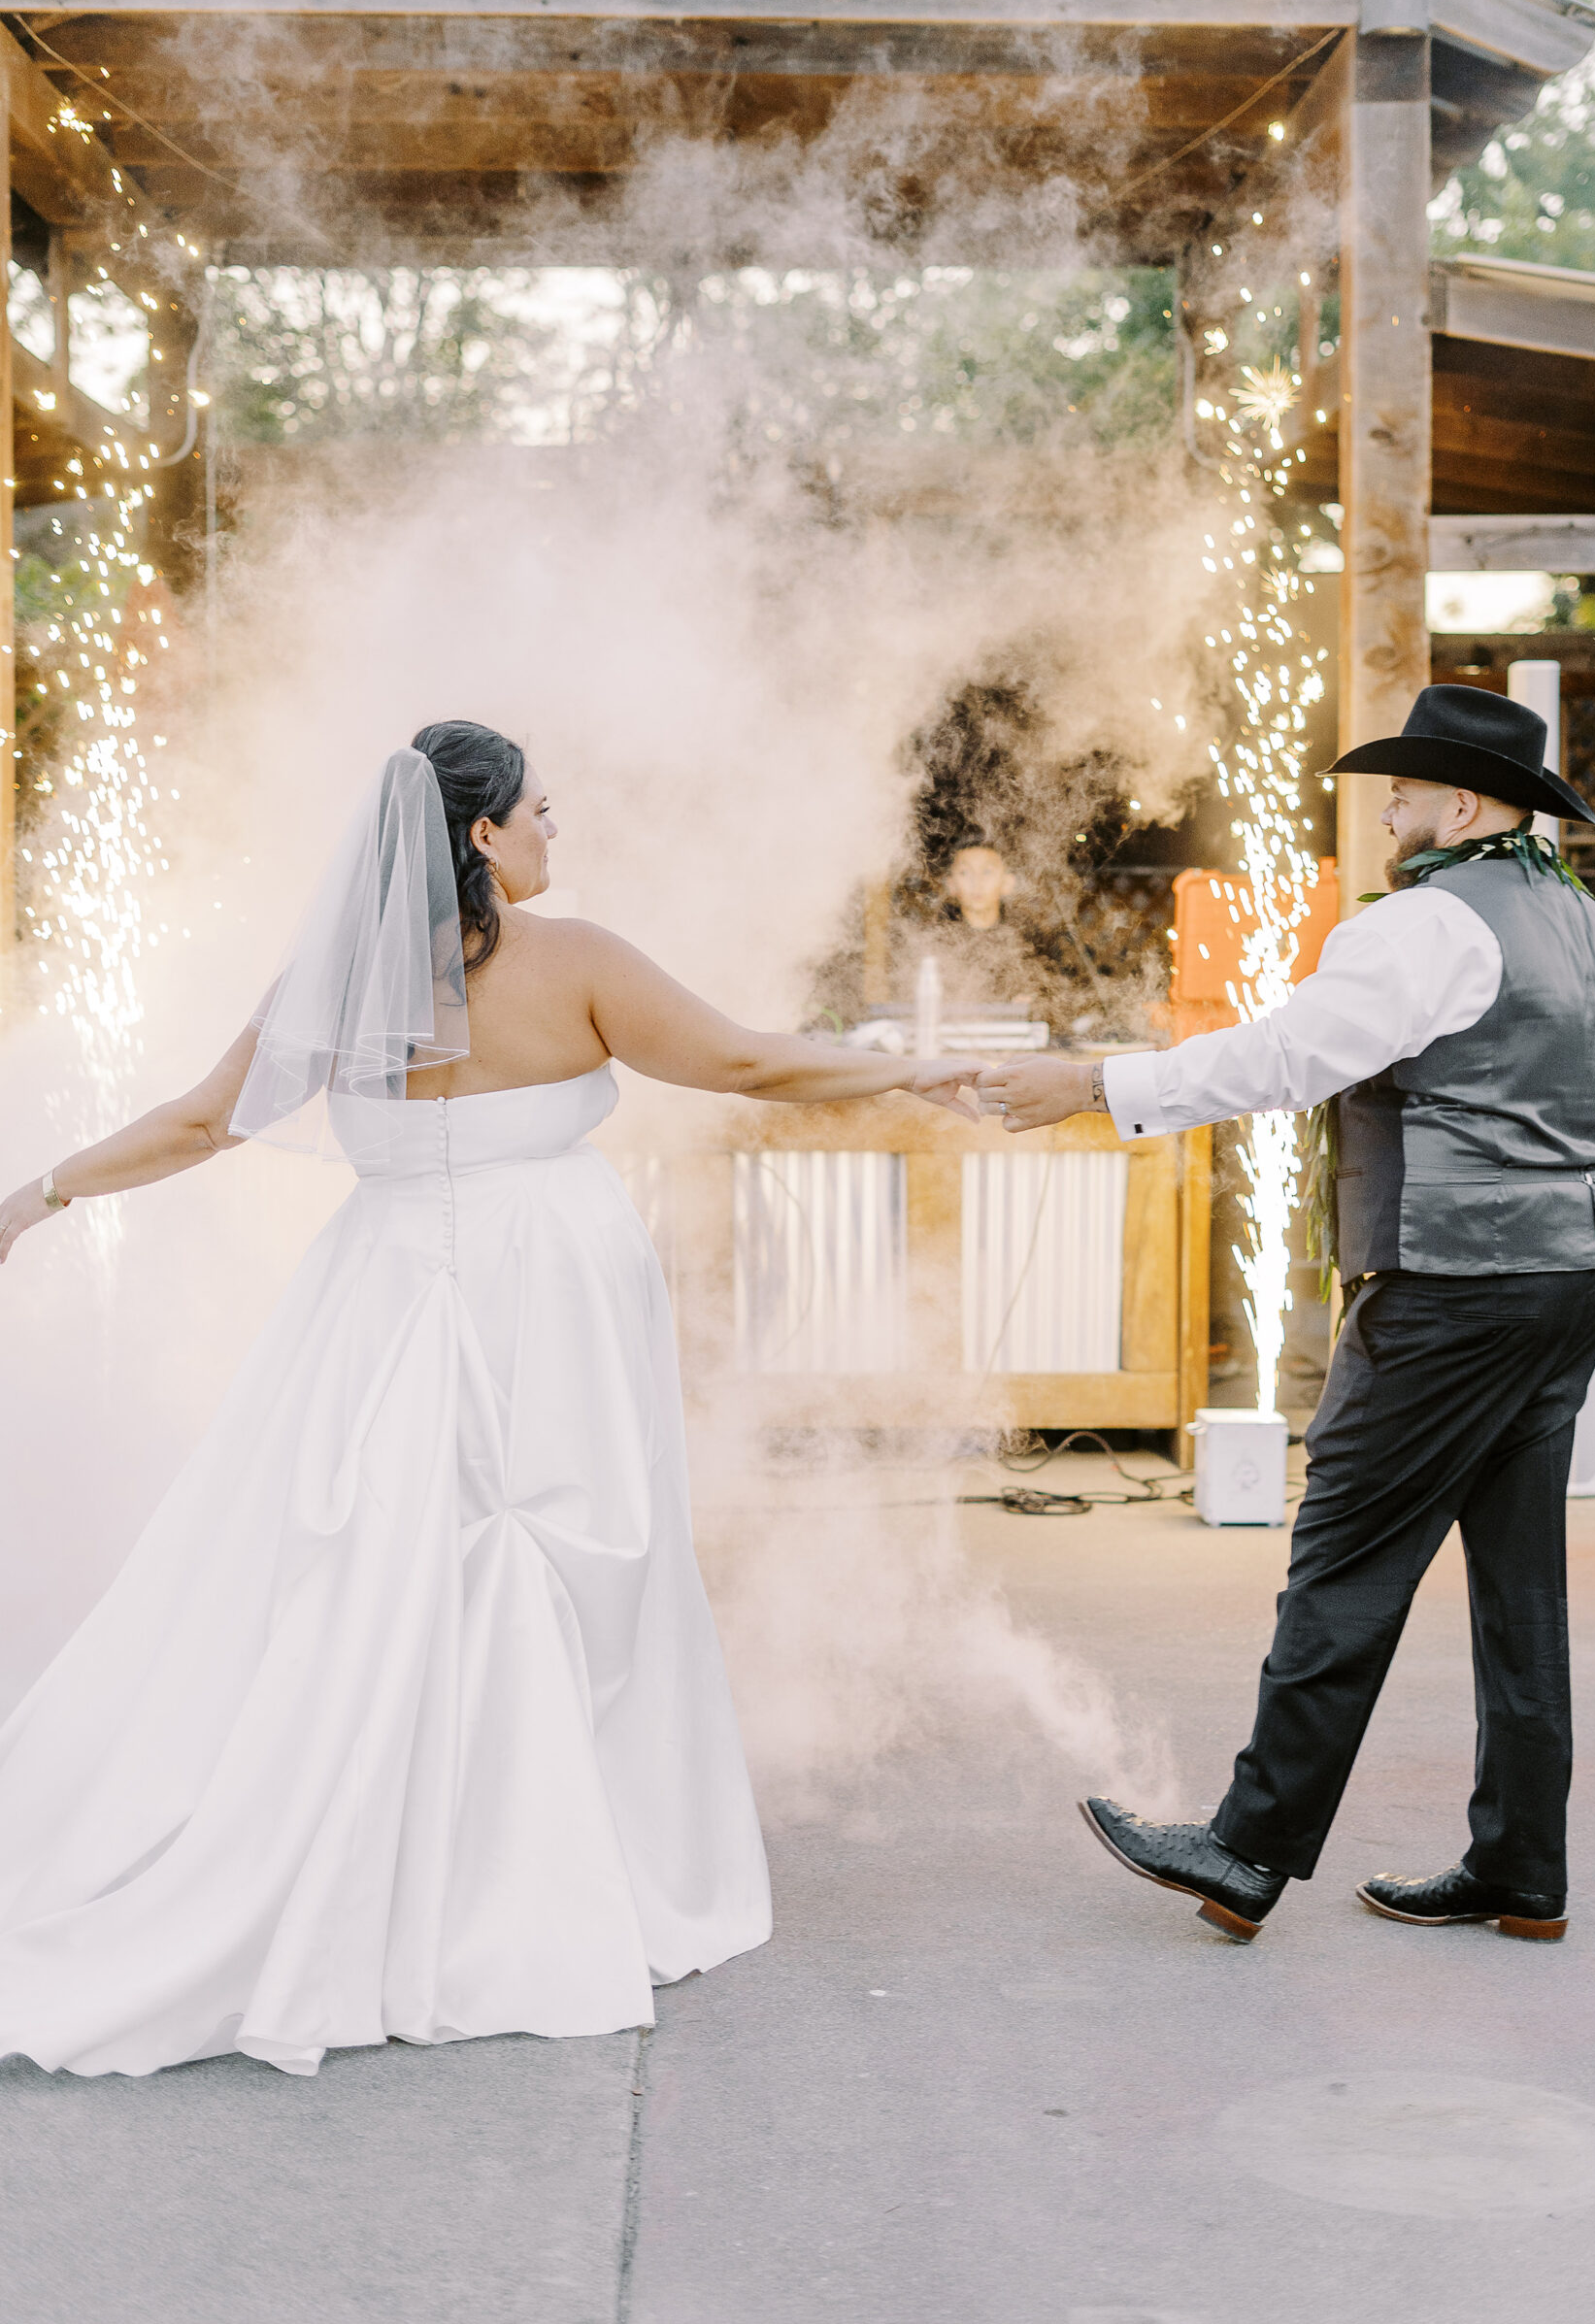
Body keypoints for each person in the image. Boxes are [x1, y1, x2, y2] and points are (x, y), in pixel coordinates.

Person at [0, 722, 980, 2076]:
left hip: (382, 1291)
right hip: (552, 1290)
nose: (551, 834)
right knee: (557, 1558)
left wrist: (31, 1201)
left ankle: (383, 1871)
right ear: (477, 834)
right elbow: (746, 1063)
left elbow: (193, 1124)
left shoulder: (334, 978)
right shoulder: (574, 958)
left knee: (379, 1571)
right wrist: (915, 1069)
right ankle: (530, 1879)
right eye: (538, 812)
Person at [975, 684, 1595, 1945]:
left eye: (1401, 786)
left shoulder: (1423, 929)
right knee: (1519, 1587)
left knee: (1341, 1563)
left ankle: (1246, 1849)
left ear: (1458, 801)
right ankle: (1520, 1867)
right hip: (1567, 1279)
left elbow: (1285, 1059)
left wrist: (1088, 1083)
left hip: (1447, 1289)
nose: (1382, 804)